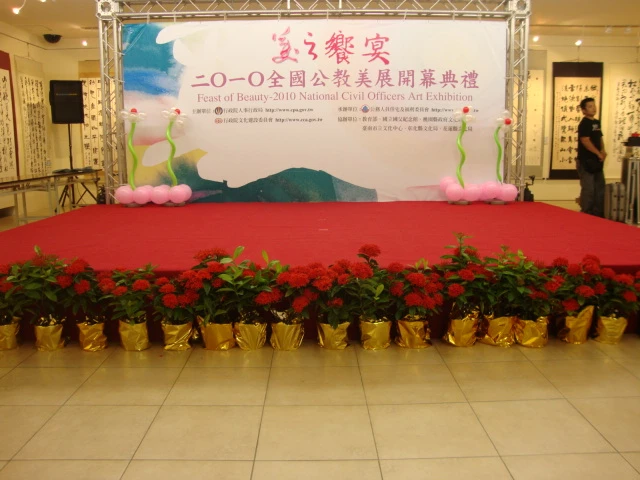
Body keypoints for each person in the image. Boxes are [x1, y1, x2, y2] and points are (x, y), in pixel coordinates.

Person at [576, 97, 607, 217]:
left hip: (597, 161)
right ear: (584, 110)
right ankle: (586, 213)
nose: (593, 108)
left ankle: (598, 213)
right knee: (589, 189)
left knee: (600, 188)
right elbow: (585, 140)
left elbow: (599, 138)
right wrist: (598, 153)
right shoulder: (584, 124)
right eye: (590, 106)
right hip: (586, 161)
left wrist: (603, 150)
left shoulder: (596, 122)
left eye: (594, 105)